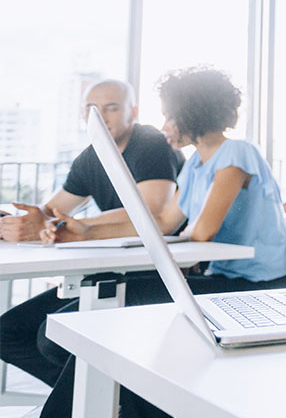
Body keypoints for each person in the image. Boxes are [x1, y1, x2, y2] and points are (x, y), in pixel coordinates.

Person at [38, 67, 286, 417]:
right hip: (222, 279)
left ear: (192, 112)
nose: (163, 125)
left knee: (111, 317)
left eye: (169, 115)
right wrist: (85, 230)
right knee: (87, 322)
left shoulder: (238, 153)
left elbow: (202, 231)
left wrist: (158, 234)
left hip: (254, 285)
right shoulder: (194, 167)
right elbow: (163, 222)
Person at [0, 79, 183, 390]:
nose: (101, 116)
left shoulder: (151, 142)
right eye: (92, 109)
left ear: (133, 111)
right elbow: (53, 211)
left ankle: (111, 401)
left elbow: (150, 211)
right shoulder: (92, 156)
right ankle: (104, 403)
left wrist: (76, 226)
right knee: (7, 332)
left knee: (51, 337)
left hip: (158, 273)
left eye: (111, 107)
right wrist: (17, 222)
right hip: (112, 271)